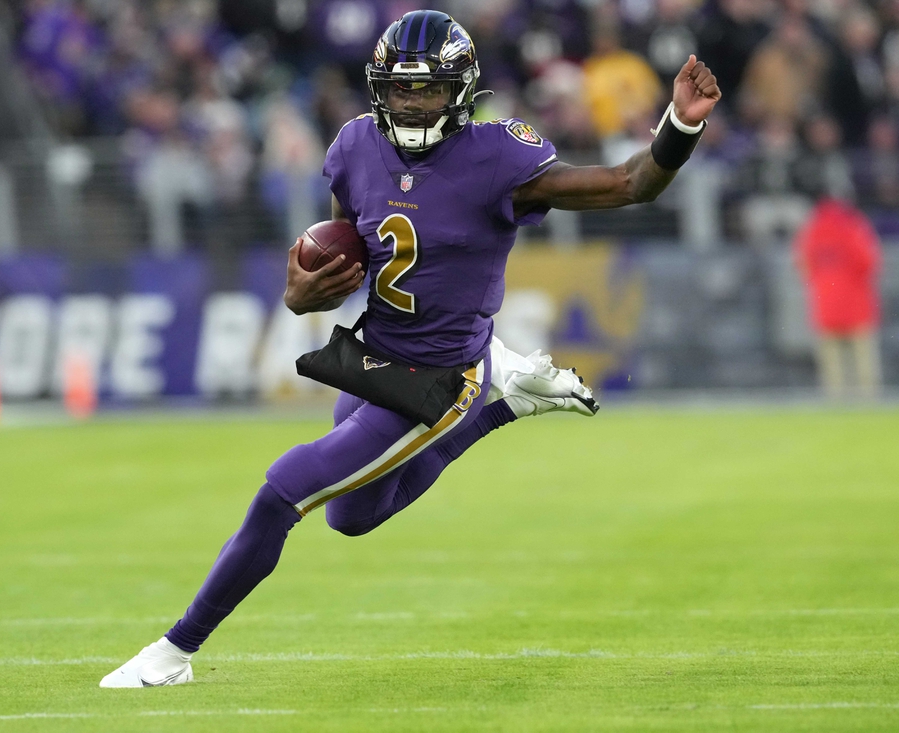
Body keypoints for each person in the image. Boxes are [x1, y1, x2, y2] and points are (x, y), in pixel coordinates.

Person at [99, 10, 720, 688]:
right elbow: (348, 261)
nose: (412, 102)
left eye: (427, 90)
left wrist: (679, 127)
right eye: (399, 89)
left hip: (441, 375)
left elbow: (628, 182)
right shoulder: (354, 147)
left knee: (285, 488)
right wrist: (304, 294)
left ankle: (174, 650)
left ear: (462, 91)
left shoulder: (497, 157)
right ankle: (507, 399)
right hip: (375, 356)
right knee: (351, 515)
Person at [794, 194, 882, 400]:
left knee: (831, 358)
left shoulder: (811, 232)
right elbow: (869, 262)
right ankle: (868, 399)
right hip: (856, 301)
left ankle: (835, 398)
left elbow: (803, 266)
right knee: (862, 355)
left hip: (825, 302)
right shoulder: (854, 228)